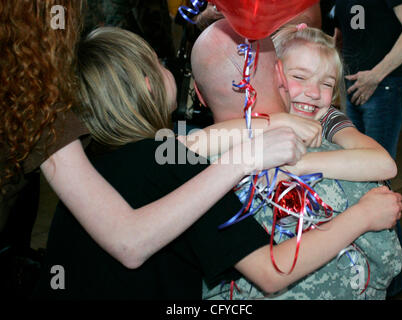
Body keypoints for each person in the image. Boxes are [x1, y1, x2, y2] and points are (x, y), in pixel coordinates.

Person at [35, 25, 402, 300]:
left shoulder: (84, 173)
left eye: (326, 83)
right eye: (159, 64)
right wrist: (361, 216)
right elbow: (271, 271)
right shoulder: (186, 170)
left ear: (198, 92)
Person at [0, 0, 304, 290]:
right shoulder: (172, 164)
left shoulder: (99, 158)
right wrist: (246, 157)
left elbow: (179, 147)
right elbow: (270, 270)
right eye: (158, 62)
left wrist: (267, 127)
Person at [190, 19, 402, 299]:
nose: (312, 92)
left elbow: (385, 163)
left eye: (326, 83)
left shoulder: (326, 119)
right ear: (278, 75)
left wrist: (299, 164)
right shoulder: (212, 145)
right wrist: (276, 121)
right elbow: (386, 260)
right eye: (299, 78)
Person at [334, 0, 402, 297]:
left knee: (378, 182)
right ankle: (372, 272)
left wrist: (376, 74)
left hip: (382, 88)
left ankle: (393, 282)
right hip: (354, 88)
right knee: (359, 185)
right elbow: (343, 34)